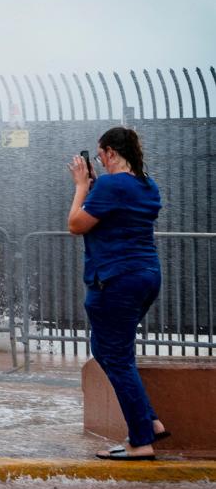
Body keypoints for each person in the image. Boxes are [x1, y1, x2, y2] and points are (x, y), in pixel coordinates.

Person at [67, 126, 168, 460]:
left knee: (117, 356)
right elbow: (119, 213)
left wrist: (82, 186)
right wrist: (96, 186)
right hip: (146, 276)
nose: (99, 161)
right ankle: (150, 423)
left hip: (115, 279)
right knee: (108, 348)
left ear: (110, 152)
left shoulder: (110, 184)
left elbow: (76, 224)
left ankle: (141, 440)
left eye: (99, 155)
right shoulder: (147, 184)